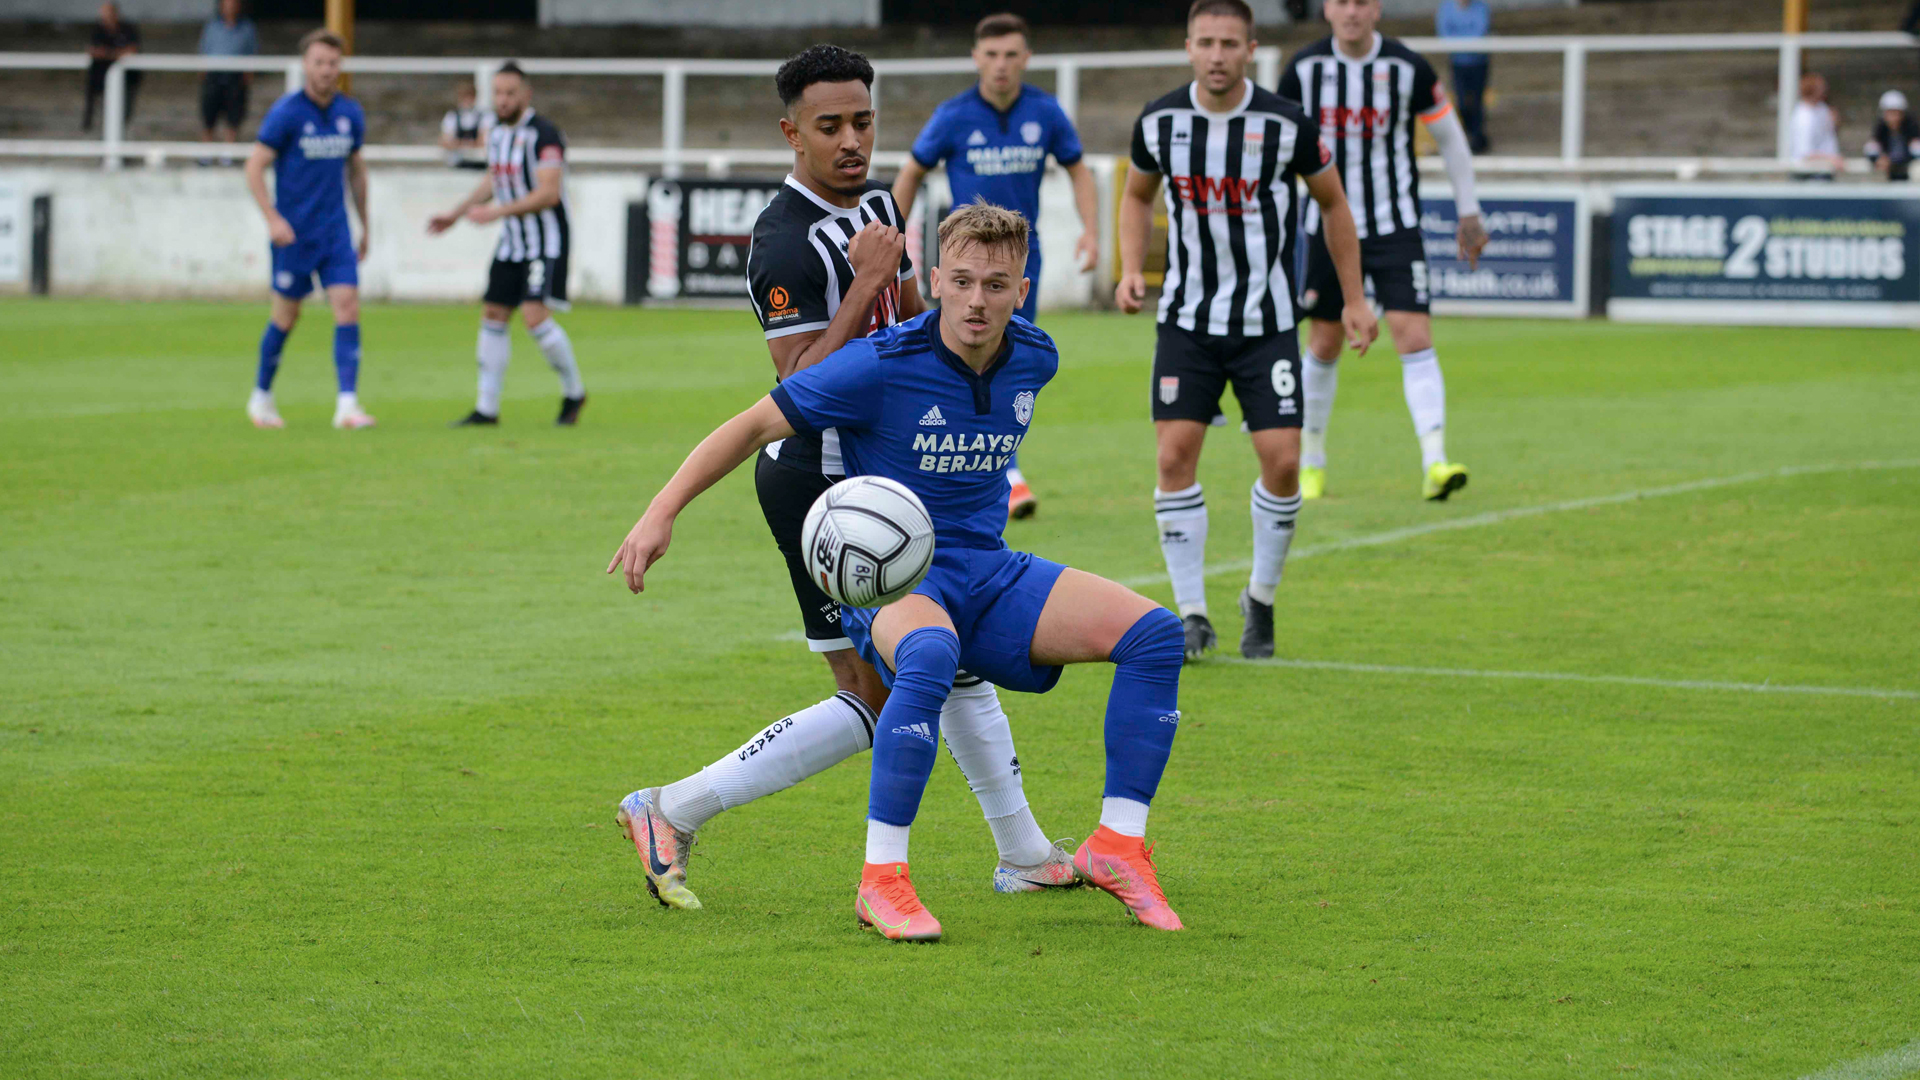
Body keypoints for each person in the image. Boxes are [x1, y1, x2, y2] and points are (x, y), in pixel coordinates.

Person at [608, 202, 1191, 941]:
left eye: (998, 284)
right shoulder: (879, 366)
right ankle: (882, 879)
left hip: (989, 570)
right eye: (965, 281)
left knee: (1155, 635)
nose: (979, 300)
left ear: (1023, 289)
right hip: (896, 581)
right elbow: (753, 424)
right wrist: (661, 511)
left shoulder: (1035, 359)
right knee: (930, 657)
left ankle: (1116, 846)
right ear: (939, 280)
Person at [608, 45, 1078, 915]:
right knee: (879, 691)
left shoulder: (873, 199)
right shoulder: (783, 243)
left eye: (863, 121)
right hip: (829, 493)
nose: (853, 140)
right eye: (831, 127)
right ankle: (670, 808)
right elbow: (800, 392)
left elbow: (916, 329)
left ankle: (1026, 851)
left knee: (941, 656)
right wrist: (866, 283)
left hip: (897, 476)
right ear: (793, 132)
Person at [1117, 0, 1378, 662]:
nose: (1216, 55)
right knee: (1174, 457)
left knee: (1285, 461)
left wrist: (1353, 299)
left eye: (1229, 43)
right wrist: (1128, 270)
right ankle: (1191, 612)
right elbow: (1137, 195)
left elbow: (1334, 203)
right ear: (1187, 47)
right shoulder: (1161, 120)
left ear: (1251, 49)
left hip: (1266, 323)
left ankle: (1259, 598)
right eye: (1205, 42)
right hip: (1186, 321)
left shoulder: (1286, 123)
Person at [892, 12, 1101, 522]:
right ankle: (998, 473)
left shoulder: (1044, 112)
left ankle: (990, 467)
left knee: (1008, 363)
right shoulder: (954, 115)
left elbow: (1078, 169)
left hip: (1021, 261)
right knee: (964, 359)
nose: (1001, 65)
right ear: (976, 59)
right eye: (991, 55)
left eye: (1011, 55)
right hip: (966, 266)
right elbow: (912, 171)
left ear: (1026, 59)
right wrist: (893, 241)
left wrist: (1091, 231)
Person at [1283, 0, 1488, 505]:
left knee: (1413, 333)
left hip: (1394, 225)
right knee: (1325, 341)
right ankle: (1311, 462)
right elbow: (1277, 147)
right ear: (1327, 9)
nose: (1351, 11)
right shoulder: (1303, 71)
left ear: (1376, 9)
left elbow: (1451, 139)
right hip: (1326, 227)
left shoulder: (1407, 67)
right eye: (1341, 1)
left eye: (1361, 1)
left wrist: (1470, 212)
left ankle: (1434, 461)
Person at [429, 63, 587, 427]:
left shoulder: (545, 135)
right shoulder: (496, 134)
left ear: (525, 95)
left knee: (534, 317)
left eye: (509, 93)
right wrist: (456, 214)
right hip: (512, 243)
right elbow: (493, 179)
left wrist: (496, 212)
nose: (502, 100)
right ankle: (487, 408)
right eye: (497, 93)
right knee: (493, 315)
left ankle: (573, 392)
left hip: (544, 241)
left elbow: (548, 194)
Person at [243, 30, 373, 431]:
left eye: (333, 63)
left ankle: (347, 406)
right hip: (294, 235)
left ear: (340, 67)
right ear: (305, 66)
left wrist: (365, 225)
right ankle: (261, 396)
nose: (326, 70)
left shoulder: (350, 114)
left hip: (335, 233)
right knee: (286, 315)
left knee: (347, 306)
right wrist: (272, 217)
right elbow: (254, 167)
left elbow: (356, 171)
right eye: (319, 62)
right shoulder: (287, 113)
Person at [198, 0, 257, 154]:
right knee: (209, 117)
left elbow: (252, 53)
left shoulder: (247, 27)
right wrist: (204, 75)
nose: (230, 7)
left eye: (233, 4)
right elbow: (204, 50)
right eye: (227, 4)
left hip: (235, 77)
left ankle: (228, 155)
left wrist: (247, 77)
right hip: (213, 76)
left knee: (233, 117)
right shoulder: (212, 26)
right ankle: (206, 154)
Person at [1435, 0, 1491, 153]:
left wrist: (1459, 43)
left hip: (1478, 62)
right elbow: (1443, 31)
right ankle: (1471, 134)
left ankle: (1477, 136)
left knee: (1477, 100)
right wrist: (1462, 45)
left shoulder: (1480, 7)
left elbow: (1481, 30)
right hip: (1458, 63)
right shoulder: (1447, 7)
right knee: (1461, 102)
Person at [82, 2, 141, 133]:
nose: (104, 17)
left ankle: (120, 147)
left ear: (115, 14)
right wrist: (116, 54)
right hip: (101, 80)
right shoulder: (98, 30)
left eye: (107, 13)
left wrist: (108, 54)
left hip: (128, 80)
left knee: (124, 114)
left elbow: (132, 49)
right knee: (106, 113)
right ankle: (108, 147)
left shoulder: (127, 29)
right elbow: (93, 50)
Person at [1789, 72, 1845, 180]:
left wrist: (1835, 123)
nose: (1825, 90)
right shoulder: (1803, 117)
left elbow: (1828, 136)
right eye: (1821, 87)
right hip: (1807, 172)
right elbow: (1805, 153)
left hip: (1824, 168)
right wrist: (1831, 158)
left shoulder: (1822, 108)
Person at [1865, 89, 1920, 181]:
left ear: (1902, 114)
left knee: (1917, 170)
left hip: (1906, 168)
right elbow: (1871, 149)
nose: (1893, 117)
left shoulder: (1911, 127)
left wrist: (1892, 161)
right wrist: (1878, 159)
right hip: (1888, 169)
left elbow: (1916, 152)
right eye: (1889, 113)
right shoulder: (1881, 128)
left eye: (1895, 113)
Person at [438, 81, 490, 170]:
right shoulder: (452, 117)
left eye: (470, 96)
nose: (467, 100)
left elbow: (484, 141)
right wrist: (469, 144)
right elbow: (444, 141)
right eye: (464, 97)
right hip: (457, 163)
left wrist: (458, 143)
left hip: (479, 163)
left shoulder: (485, 116)